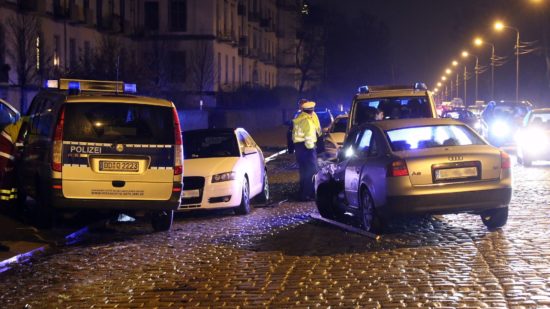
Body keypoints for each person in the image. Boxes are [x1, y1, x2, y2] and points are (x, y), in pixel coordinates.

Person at [292, 100, 321, 201]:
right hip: (307, 150)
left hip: (299, 149)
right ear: (311, 110)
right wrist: (312, 148)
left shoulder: (299, 118)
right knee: (312, 172)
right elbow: (309, 138)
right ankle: (308, 195)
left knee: (304, 172)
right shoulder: (308, 121)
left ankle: (303, 193)